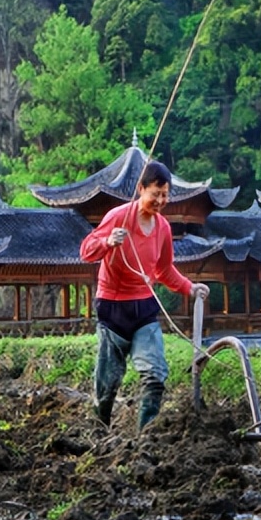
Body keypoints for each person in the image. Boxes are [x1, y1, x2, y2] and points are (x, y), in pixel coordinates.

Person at [79, 160, 208, 429]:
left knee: (155, 374)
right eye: (155, 193)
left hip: (144, 308)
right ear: (141, 189)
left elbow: (164, 269)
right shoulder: (118, 217)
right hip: (112, 307)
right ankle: (99, 430)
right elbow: (87, 250)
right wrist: (107, 241)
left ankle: (146, 435)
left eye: (165, 194)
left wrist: (189, 287)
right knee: (108, 381)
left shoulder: (162, 228)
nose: (161, 200)